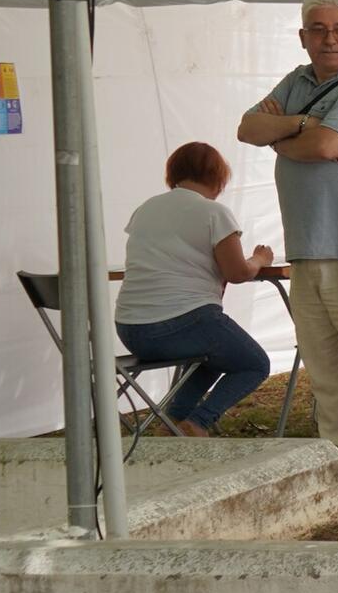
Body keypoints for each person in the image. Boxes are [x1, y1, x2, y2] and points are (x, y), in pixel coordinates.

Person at [235, 0, 338, 487]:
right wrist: (301, 125)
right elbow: (248, 128)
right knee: (325, 364)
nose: (330, 38)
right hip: (305, 245)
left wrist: (282, 138)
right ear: (303, 37)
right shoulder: (298, 81)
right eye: (319, 29)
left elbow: (329, 145)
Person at [113, 142, 275, 436]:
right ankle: (198, 423)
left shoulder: (145, 209)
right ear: (218, 177)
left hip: (131, 329)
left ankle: (173, 424)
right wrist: (259, 259)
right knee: (255, 364)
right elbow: (237, 273)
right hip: (182, 324)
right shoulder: (214, 212)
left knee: (217, 353)